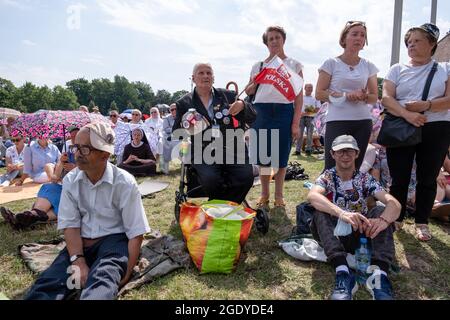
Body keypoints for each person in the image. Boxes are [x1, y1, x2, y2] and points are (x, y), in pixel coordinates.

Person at [24, 122, 150, 300]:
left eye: (85, 149)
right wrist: (78, 260)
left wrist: (127, 273)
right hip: (79, 243)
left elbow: (135, 232)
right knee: (51, 283)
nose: (77, 154)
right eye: (76, 147)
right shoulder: (71, 181)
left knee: (102, 281)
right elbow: (71, 225)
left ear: (104, 154)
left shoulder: (124, 183)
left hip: (113, 243)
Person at [307, 135, 401, 300]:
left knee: (380, 212)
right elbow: (312, 196)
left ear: (357, 154)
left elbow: (394, 203)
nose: (345, 155)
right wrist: (342, 213)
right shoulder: (327, 177)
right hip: (335, 233)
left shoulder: (365, 178)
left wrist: (383, 220)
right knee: (319, 212)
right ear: (332, 154)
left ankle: (379, 276)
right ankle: (343, 272)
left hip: (362, 234)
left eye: (349, 151)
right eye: (340, 151)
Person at [382, 23, 450, 241]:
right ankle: (397, 218)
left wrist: (426, 106)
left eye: (417, 40)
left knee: (428, 177)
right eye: (409, 42)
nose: (411, 45)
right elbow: (386, 98)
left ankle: (422, 221)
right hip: (402, 125)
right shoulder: (396, 68)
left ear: (432, 45)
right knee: (398, 176)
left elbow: (449, 100)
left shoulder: (445, 69)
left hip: (436, 127)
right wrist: (408, 114)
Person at [173, 62, 255, 204]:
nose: (205, 76)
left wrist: (243, 105)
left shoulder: (229, 96)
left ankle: (226, 206)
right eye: (201, 73)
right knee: (211, 179)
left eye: (209, 73)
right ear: (193, 78)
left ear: (213, 78)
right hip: (203, 150)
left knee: (246, 177)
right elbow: (176, 132)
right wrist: (186, 126)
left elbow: (252, 116)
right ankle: (222, 208)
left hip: (232, 149)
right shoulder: (184, 103)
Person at [245, 25, 304, 212]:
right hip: (261, 112)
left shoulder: (294, 64)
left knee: (280, 157)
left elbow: (299, 97)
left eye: (277, 37)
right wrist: (254, 83)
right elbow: (248, 91)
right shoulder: (259, 66)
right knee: (263, 157)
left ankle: (279, 195)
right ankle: (264, 194)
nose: (274, 41)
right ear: (266, 43)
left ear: (283, 40)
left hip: (284, 111)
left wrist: (295, 123)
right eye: (270, 39)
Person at [316, 21, 379, 170]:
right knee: (332, 167)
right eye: (355, 34)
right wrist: (346, 95)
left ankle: (350, 194)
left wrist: (363, 96)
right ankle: (328, 193)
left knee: (354, 168)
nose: (359, 38)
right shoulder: (331, 63)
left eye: (363, 35)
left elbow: (374, 97)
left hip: (362, 122)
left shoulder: (369, 65)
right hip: (337, 121)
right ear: (344, 39)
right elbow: (319, 93)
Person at [1, 149, 77, 230]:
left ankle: (22, 218)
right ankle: (27, 218)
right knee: (50, 189)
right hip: (62, 191)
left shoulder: (87, 154)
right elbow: (55, 177)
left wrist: (76, 168)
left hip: (75, 193)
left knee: (55, 195)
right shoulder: (67, 152)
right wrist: (61, 162)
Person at [294, 83, 322, 156]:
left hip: (311, 118)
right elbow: (295, 106)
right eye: (308, 87)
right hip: (301, 118)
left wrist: (308, 113)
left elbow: (318, 108)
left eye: (311, 87)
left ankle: (308, 150)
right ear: (305, 88)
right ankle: (297, 150)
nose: (310, 89)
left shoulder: (315, 98)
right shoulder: (301, 97)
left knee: (310, 134)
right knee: (299, 134)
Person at [161, 104, 177, 174]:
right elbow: (166, 129)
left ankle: (186, 166)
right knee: (165, 145)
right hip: (170, 137)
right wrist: (176, 128)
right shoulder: (166, 118)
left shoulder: (183, 116)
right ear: (170, 111)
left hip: (181, 137)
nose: (174, 111)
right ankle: (165, 169)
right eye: (172, 110)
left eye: (175, 109)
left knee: (188, 145)